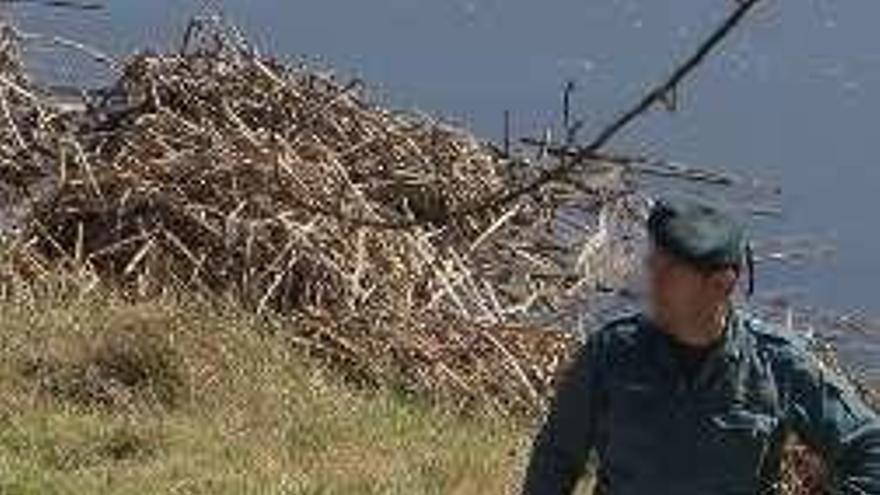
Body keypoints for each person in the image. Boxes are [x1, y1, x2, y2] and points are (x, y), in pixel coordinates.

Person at [521, 197, 880, 495]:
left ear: (722, 283)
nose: (653, 283)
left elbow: (871, 449)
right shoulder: (611, 353)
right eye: (653, 266)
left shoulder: (777, 364)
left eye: (671, 273)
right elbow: (556, 459)